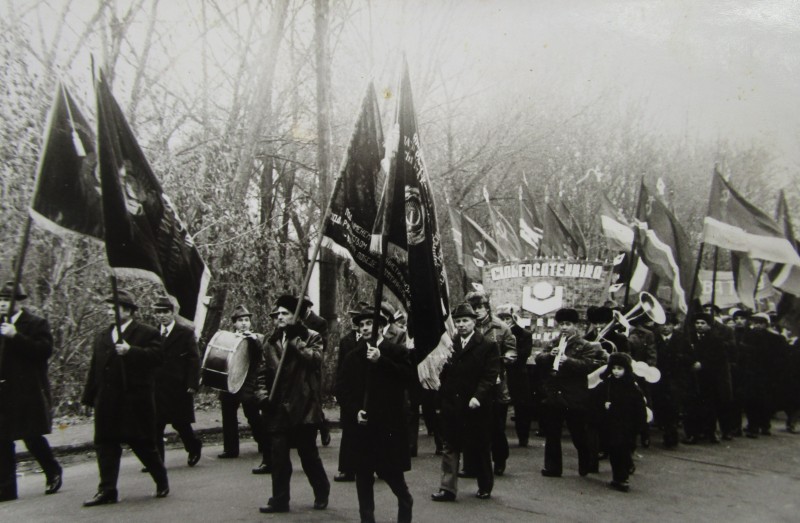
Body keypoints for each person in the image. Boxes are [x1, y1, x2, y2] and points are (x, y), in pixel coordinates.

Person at [81, 289, 169, 507]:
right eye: (108, 308)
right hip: (107, 401)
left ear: (129, 311)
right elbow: (95, 368)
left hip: (134, 400)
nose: (110, 312)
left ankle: (161, 479)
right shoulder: (103, 336)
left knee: (142, 443)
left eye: (115, 308)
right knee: (105, 444)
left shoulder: (147, 333)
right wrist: (89, 397)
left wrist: (131, 351)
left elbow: (158, 358)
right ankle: (107, 490)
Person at [337, 306, 414, 523]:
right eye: (361, 325)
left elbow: (407, 377)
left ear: (380, 327)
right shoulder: (353, 356)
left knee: (393, 476)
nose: (364, 328)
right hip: (363, 428)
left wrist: (381, 361)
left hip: (388, 427)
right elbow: (341, 388)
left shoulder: (395, 351)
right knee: (363, 478)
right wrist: (355, 410)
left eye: (369, 324)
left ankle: (405, 503)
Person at [259, 294, 329, 514]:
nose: (279, 317)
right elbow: (261, 373)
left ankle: (321, 490)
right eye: (277, 314)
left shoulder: (311, 336)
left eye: (285, 313)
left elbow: (316, 360)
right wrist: (262, 397)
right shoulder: (270, 341)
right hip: (278, 408)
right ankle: (280, 500)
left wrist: (295, 342)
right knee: (279, 458)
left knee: (308, 456)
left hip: (304, 407)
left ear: (296, 316)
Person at [431, 303, 500, 502]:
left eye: (465, 321)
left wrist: (478, 397)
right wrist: (440, 399)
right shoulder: (449, 344)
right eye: (458, 321)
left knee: (479, 446)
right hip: (453, 404)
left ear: (474, 322)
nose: (461, 325)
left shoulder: (487, 345)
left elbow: (489, 375)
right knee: (450, 445)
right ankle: (447, 488)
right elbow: (443, 374)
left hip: (476, 405)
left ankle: (485, 485)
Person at [0, 281, 62, 502]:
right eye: (0, 300)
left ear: (19, 302)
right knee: (2, 439)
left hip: (27, 390)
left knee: (31, 435)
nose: (2, 304)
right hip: (3, 391)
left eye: (7, 300)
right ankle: (6, 488)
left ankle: (52, 470)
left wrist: (15, 336)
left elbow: (43, 351)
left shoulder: (36, 323)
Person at [535, 307, 608, 478]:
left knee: (578, 433)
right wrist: (549, 356)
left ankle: (586, 464)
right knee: (552, 433)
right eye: (561, 324)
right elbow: (539, 358)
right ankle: (552, 468)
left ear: (575, 326)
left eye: (567, 324)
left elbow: (589, 365)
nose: (564, 327)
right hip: (555, 393)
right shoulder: (554, 342)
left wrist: (568, 361)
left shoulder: (584, 345)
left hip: (574, 394)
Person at [463, 291, 515, 477]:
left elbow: (512, 349)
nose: (477, 311)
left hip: (496, 384)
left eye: (480, 307)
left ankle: (499, 460)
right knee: (470, 427)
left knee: (496, 427)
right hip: (472, 384)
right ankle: (470, 465)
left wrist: (507, 357)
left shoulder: (500, 327)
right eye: (473, 308)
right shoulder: (466, 326)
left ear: (487, 308)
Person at [217, 305, 270, 475]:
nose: (244, 323)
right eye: (240, 320)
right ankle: (230, 449)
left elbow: (260, 354)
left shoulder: (258, 337)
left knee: (252, 414)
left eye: (247, 320)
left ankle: (263, 442)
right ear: (234, 323)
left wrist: (252, 339)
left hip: (248, 381)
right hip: (230, 380)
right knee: (228, 414)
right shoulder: (229, 338)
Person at [151, 296, 202, 468]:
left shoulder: (185, 333)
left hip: (179, 387)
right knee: (156, 425)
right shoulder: (152, 334)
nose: (162, 316)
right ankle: (157, 462)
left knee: (180, 423)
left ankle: (194, 447)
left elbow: (194, 360)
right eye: (158, 312)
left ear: (173, 313)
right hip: (157, 387)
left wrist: (192, 384)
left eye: (165, 312)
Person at [591, 352, 647, 492]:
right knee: (615, 450)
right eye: (614, 368)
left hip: (626, 425)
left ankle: (621, 478)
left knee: (621, 450)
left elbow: (640, 408)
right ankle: (621, 475)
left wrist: (639, 425)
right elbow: (596, 401)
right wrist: (602, 407)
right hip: (611, 424)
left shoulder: (632, 387)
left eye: (620, 369)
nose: (616, 371)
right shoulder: (606, 385)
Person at [682, 312, 732, 444]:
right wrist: (691, 363)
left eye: (703, 323)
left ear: (709, 326)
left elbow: (719, 358)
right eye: (697, 323)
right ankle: (693, 434)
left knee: (709, 406)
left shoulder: (716, 340)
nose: (699, 325)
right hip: (692, 376)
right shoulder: (689, 338)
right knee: (692, 406)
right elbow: (683, 353)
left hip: (709, 379)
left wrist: (703, 364)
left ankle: (710, 432)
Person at [334, 302, 367, 482]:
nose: (355, 322)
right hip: (349, 391)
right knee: (348, 432)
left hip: (366, 390)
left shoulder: (371, 339)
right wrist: (339, 390)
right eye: (353, 318)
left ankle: (374, 466)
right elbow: (340, 368)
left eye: (358, 318)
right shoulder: (346, 340)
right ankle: (347, 469)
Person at [741, 313, 786, 438]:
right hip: (751, 374)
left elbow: (781, 358)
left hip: (767, 376)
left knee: (765, 401)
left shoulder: (776, 339)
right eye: (755, 323)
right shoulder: (747, 336)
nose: (757, 326)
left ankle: (764, 424)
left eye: (760, 323)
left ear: (766, 324)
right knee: (752, 401)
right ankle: (753, 426)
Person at [496, 303, 534, 448]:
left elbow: (524, 354)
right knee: (500, 406)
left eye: (508, 318)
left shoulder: (524, 334)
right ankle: (498, 437)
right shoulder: (496, 333)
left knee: (522, 407)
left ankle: (523, 437)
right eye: (502, 318)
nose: (505, 321)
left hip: (518, 374)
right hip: (501, 372)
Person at [651, 313, 688, 448]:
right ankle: (666, 429)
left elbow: (689, 356)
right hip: (659, 378)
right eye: (662, 325)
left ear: (674, 325)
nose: (665, 327)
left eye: (668, 324)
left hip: (676, 378)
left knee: (673, 406)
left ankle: (671, 435)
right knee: (661, 405)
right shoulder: (654, 338)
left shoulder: (681, 338)